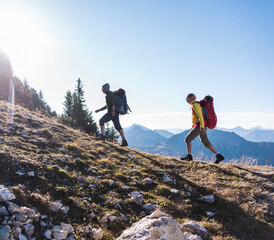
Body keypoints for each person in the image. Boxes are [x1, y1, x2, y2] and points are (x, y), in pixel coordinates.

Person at [181, 93, 225, 163]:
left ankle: (189, 156)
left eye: (187, 98)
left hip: (200, 126)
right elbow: (196, 118)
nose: (186, 99)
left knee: (188, 139)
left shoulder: (195, 105)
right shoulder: (196, 104)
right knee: (206, 143)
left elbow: (200, 117)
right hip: (201, 126)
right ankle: (218, 155)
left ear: (191, 98)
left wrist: (201, 128)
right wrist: (194, 126)